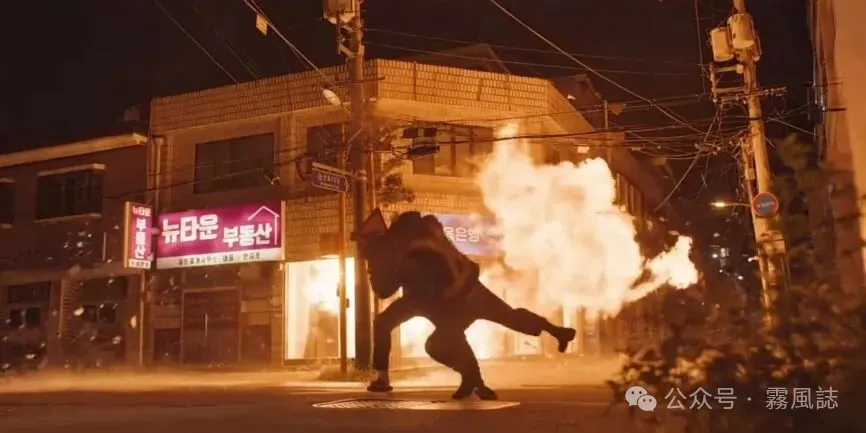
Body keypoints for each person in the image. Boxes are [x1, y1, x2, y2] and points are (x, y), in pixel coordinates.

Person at [358, 210, 577, 399]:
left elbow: (385, 290)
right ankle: (556, 331)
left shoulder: (410, 252)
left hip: (447, 298)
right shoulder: (429, 235)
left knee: (438, 341)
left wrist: (374, 269)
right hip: (467, 288)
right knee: (508, 317)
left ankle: (471, 380)